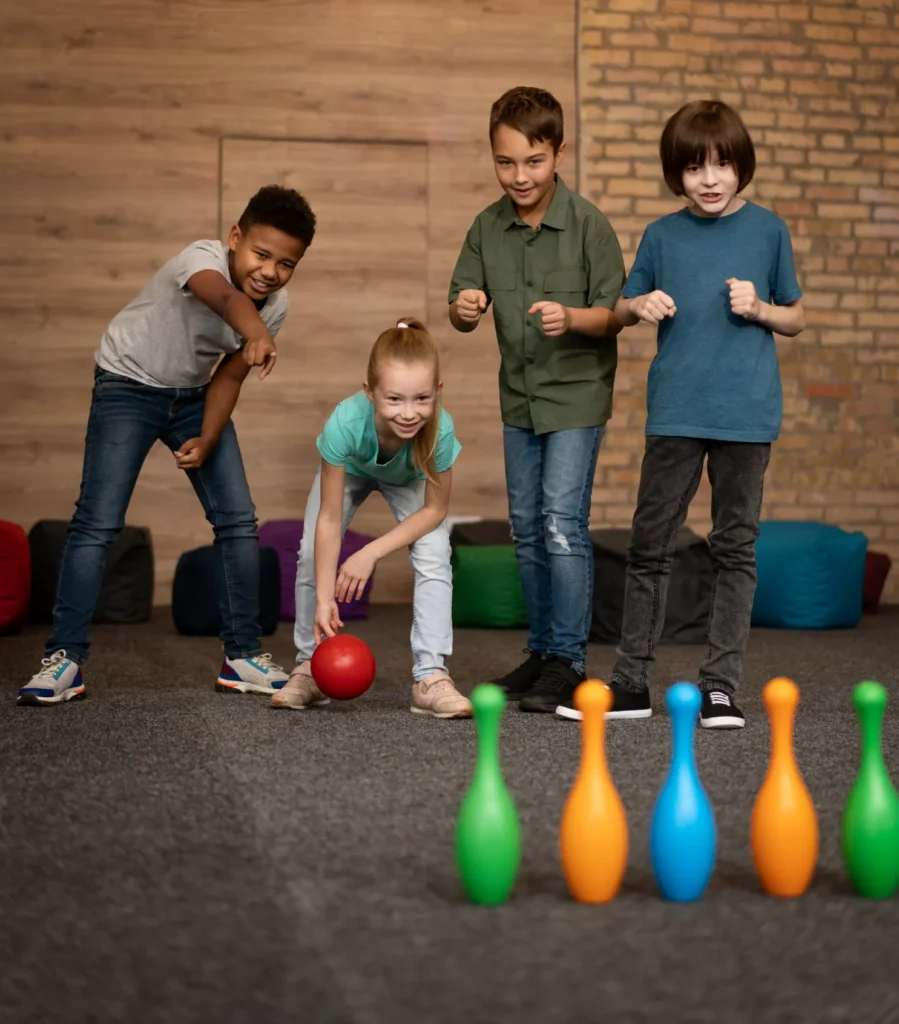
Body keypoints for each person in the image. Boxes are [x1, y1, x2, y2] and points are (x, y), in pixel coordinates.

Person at [557, 99, 806, 729]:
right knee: (650, 546)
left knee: (735, 548)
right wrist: (638, 307)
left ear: (741, 166)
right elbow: (619, 306)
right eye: (696, 168)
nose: (711, 179)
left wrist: (761, 310)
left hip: (746, 415)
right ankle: (631, 682)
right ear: (678, 173)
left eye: (723, 165)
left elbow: (796, 317)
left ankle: (720, 686)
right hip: (674, 412)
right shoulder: (662, 235)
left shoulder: (769, 231)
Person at [17, 185, 316, 706]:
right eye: (261, 254)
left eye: (286, 264)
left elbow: (227, 379)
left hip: (194, 395)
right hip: (126, 384)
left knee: (238, 519)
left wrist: (208, 436)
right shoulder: (200, 259)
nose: (270, 271)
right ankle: (64, 659)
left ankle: (242, 655)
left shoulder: (276, 308)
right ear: (235, 237)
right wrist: (256, 335)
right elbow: (224, 298)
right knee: (97, 522)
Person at [447, 85, 625, 714]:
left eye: (533, 161)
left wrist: (572, 319)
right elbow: (461, 305)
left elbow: (614, 315)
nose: (518, 176)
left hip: (575, 397)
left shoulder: (588, 226)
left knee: (560, 524)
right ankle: (544, 650)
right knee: (526, 531)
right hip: (519, 399)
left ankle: (570, 663)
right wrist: (464, 309)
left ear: (558, 153)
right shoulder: (485, 227)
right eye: (505, 162)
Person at [272, 318, 470, 718]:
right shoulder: (345, 422)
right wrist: (327, 598)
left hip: (409, 478)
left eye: (421, 399)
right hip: (355, 472)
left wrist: (370, 553)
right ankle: (309, 667)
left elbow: (435, 510)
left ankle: (431, 675)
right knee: (312, 552)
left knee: (435, 553)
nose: (409, 413)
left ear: (438, 393)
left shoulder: (440, 431)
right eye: (394, 399)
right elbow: (329, 520)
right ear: (369, 393)